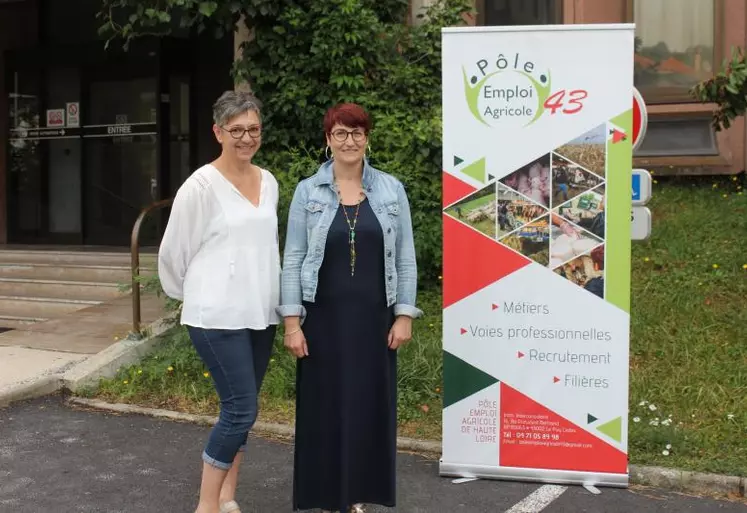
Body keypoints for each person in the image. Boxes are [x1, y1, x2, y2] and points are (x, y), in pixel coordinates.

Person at [278, 103, 423, 513]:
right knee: (325, 410)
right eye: (341, 133)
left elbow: (406, 259)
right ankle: (327, 497)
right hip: (322, 320)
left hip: (375, 321)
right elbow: (292, 257)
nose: (349, 141)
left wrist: (404, 314)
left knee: (367, 408)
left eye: (357, 133)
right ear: (328, 140)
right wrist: (292, 323)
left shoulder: (392, 190)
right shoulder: (308, 191)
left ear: (367, 139)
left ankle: (356, 496)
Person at [158, 91, 280, 513]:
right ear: (218, 132)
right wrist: (195, 295)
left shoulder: (269, 182)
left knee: (244, 411)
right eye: (237, 130)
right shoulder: (200, 186)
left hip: (261, 313)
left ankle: (229, 497)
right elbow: (174, 254)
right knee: (240, 409)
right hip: (216, 315)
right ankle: (206, 506)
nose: (246, 138)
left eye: (253, 129)